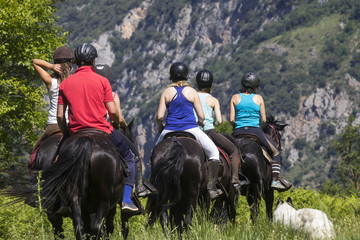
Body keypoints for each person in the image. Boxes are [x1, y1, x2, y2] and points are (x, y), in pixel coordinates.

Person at [57, 43, 138, 212]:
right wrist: (115, 124)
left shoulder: (65, 84)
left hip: (75, 132)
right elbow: (113, 112)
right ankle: (126, 200)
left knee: (57, 162)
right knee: (130, 157)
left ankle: (63, 201)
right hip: (102, 130)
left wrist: (66, 133)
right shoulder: (102, 81)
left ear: (76, 62)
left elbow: (59, 116)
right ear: (93, 61)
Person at [156, 62, 222, 200]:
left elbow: (160, 116)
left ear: (171, 76)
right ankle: (211, 187)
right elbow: (201, 115)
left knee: (154, 156)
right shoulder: (191, 91)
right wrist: (200, 123)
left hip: (169, 130)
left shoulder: (166, 92)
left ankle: (154, 185)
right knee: (214, 153)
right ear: (186, 75)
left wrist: (160, 127)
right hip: (191, 128)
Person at [94, 64, 153, 197]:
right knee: (134, 156)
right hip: (107, 128)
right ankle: (136, 189)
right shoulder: (113, 95)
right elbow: (118, 117)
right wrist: (124, 126)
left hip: (86, 127)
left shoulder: (88, 91)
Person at [229, 72, 291, 191]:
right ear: (256, 86)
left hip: (238, 132)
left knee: (228, 152)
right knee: (276, 152)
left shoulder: (235, 97)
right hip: (255, 131)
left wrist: (237, 125)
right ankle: (275, 181)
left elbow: (232, 119)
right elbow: (263, 119)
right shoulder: (259, 98)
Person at [195, 69, 245, 191]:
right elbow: (219, 121)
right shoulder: (213, 100)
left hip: (194, 130)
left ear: (197, 84)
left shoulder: (193, 96)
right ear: (211, 85)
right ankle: (234, 179)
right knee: (233, 150)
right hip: (208, 131)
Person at [32, 46, 74, 148]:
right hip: (71, 125)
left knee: (34, 154)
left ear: (56, 63)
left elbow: (35, 62)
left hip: (53, 125)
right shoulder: (75, 81)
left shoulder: (51, 81)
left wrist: (51, 66)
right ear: (71, 64)